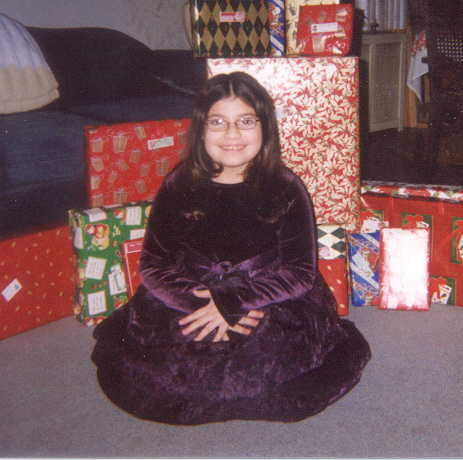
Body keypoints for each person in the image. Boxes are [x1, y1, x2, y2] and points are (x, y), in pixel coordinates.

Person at [91, 72, 371, 425]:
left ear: (265, 128)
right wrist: (207, 305)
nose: (232, 134)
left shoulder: (286, 187)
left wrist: (232, 303)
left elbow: (300, 272)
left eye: (246, 121)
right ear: (201, 130)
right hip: (190, 292)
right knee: (165, 361)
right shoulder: (179, 183)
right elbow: (153, 265)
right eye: (218, 122)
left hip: (266, 295)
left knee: (269, 358)